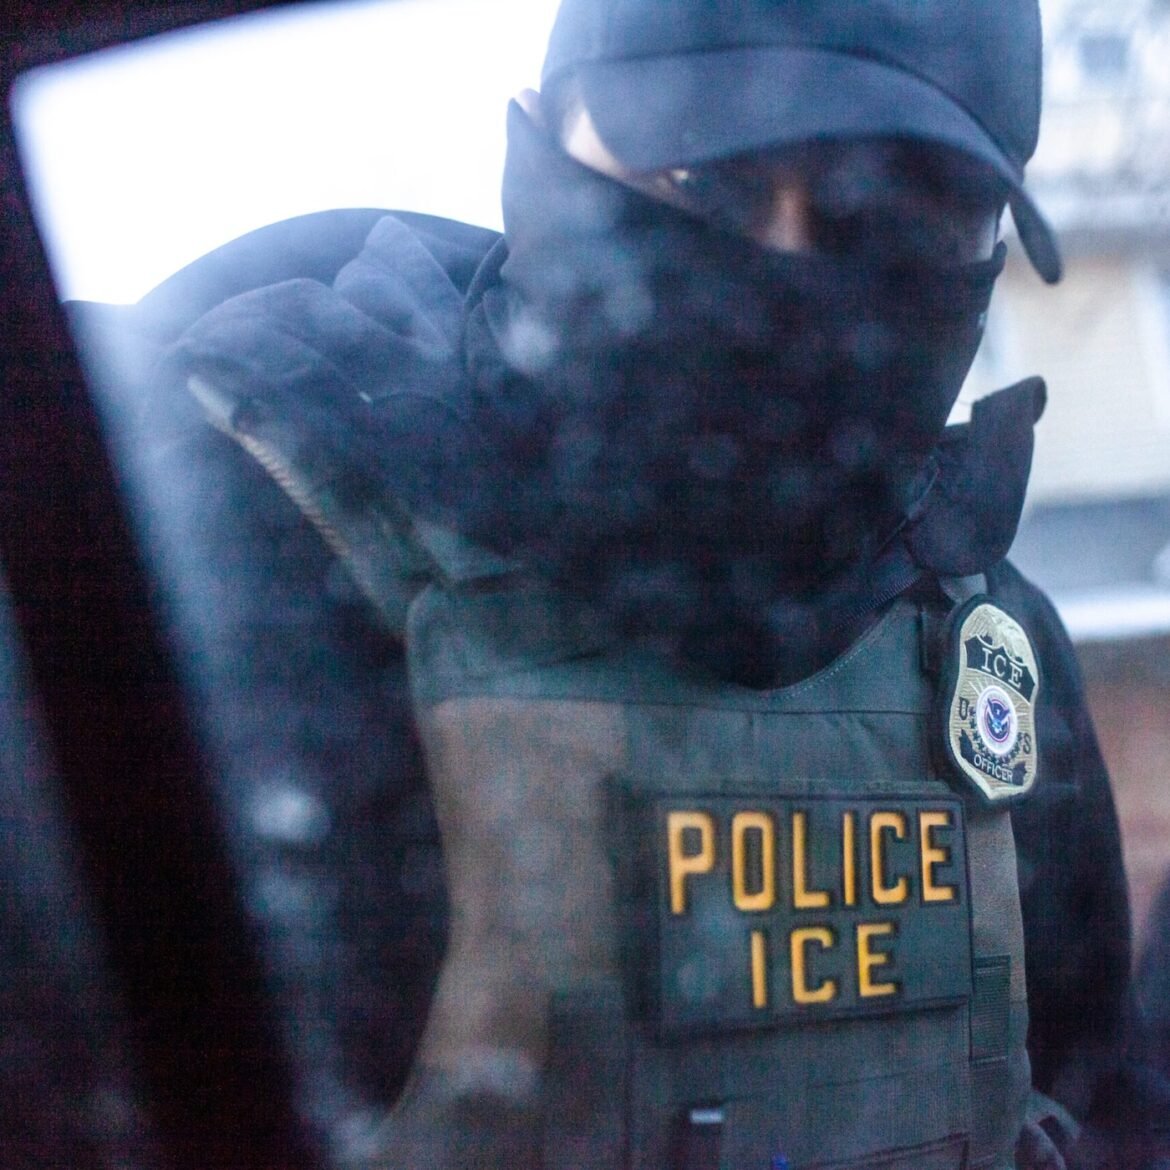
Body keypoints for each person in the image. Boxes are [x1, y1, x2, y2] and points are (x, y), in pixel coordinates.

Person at [65, 0, 1170, 1167]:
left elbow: (1093, 1108)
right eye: (704, 179)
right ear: (535, 139)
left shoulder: (990, 648)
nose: (788, 276)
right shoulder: (216, 554)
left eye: (892, 218)